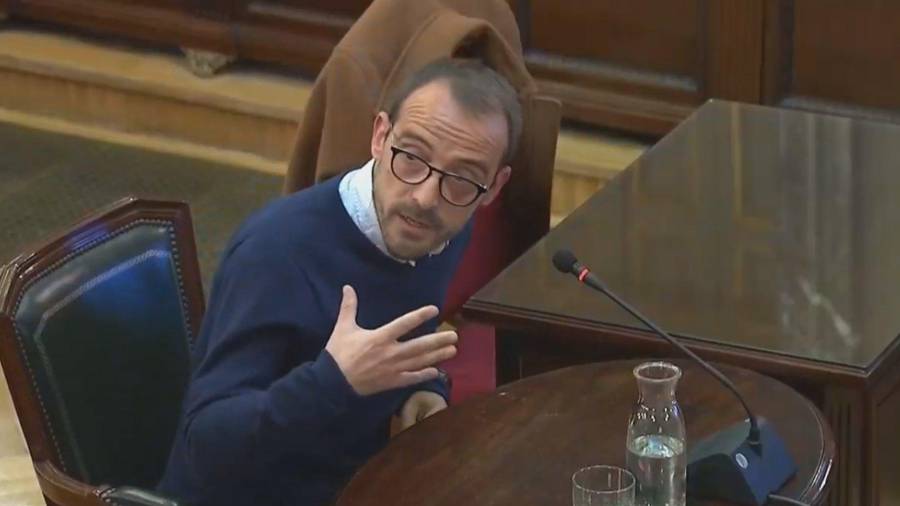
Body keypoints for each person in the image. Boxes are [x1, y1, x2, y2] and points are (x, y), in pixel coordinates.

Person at [157, 58, 523, 506]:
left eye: (463, 179)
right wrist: (333, 383)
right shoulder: (275, 253)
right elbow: (206, 451)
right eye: (410, 158)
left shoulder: (447, 225)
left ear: (493, 188)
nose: (425, 197)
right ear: (379, 137)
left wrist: (421, 389)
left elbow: (396, 343)